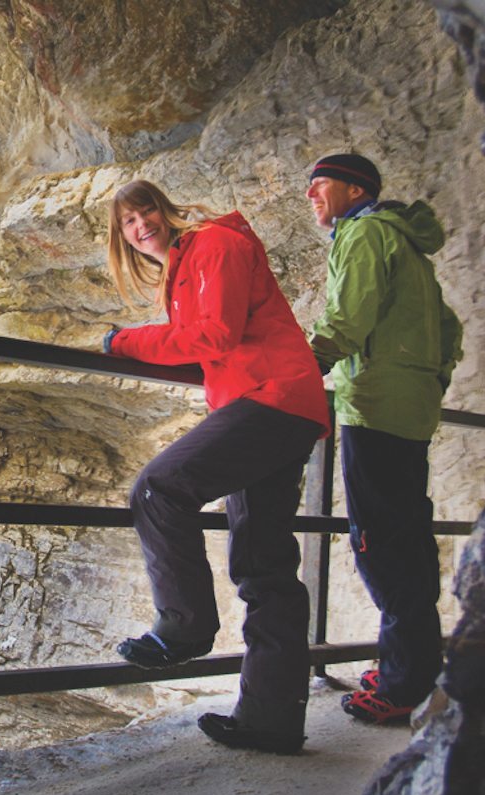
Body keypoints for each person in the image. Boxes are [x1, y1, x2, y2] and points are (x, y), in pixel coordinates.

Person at [100, 179, 331, 754]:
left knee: (158, 490)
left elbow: (215, 335)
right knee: (265, 565)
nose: (140, 225)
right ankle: (271, 720)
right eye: (127, 221)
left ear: (165, 210)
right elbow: (210, 336)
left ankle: (184, 627)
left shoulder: (214, 244)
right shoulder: (186, 266)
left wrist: (124, 342)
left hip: (271, 399)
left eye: (145, 210)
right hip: (277, 403)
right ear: (121, 237)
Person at [303, 153, 462, 725]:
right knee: (408, 538)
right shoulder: (406, 242)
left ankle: (400, 686)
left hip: (374, 405)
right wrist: (428, 380)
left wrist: (301, 368)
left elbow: (347, 318)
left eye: (319, 185)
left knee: (382, 547)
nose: (311, 196)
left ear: (354, 188)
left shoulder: (365, 232)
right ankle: (415, 664)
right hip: (410, 405)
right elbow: (449, 329)